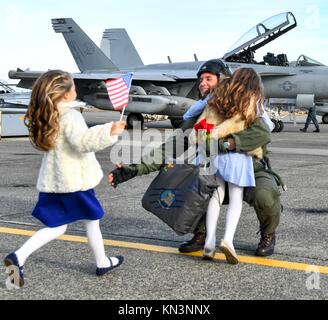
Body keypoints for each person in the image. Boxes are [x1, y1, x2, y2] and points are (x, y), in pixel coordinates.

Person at [108, 59, 284, 257]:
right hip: (214, 168)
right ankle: (202, 234)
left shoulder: (244, 103)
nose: (202, 83)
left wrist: (228, 144)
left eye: (208, 78)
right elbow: (170, 148)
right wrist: (132, 169)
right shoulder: (201, 113)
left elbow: (261, 133)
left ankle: (268, 234)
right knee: (190, 187)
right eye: (200, 80)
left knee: (265, 196)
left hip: (250, 168)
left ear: (224, 80)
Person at [3, 70, 126, 288]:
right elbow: (82, 142)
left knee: (57, 226)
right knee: (92, 220)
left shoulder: (49, 115)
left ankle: (19, 256)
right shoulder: (71, 115)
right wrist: (111, 130)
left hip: (54, 182)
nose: (76, 91)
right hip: (74, 182)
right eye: (74, 88)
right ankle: (102, 262)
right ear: (67, 94)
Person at [190, 68, 265, 264]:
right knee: (236, 197)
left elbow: (202, 117)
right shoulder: (251, 97)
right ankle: (228, 240)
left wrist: (209, 136)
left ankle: (209, 240)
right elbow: (249, 123)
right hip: (236, 154)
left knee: (217, 194)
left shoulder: (220, 92)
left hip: (213, 152)